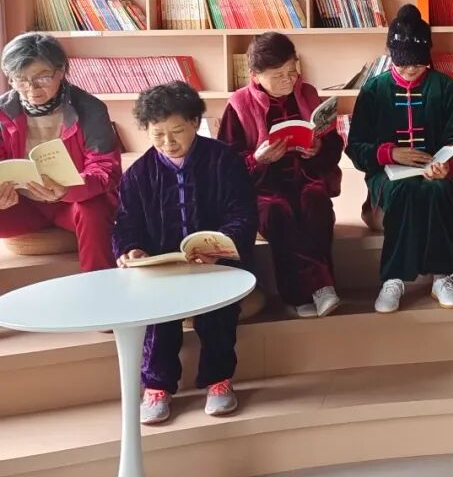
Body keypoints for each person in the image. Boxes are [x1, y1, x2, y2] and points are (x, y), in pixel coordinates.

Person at [113, 83, 257, 425]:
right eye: (158, 134)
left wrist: (221, 246)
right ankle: (157, 385)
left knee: (218, 313)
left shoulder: (224, 160)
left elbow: (243, 213)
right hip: (163, 270)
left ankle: (218, 379)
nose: (168, 142)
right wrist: (131, 250)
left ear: (195, 122)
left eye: (177, 131)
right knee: (156, 313)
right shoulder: (138, 174)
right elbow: (125, 223)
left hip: (215, 266)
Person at [345, 4, 453, 313]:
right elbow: (356, 146)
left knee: (437, 190)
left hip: (436, 172)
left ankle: (442, 276)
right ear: (391, 57)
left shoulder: (444, 87)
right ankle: (393, 278)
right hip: (387, 176)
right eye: (401, 65)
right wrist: (389, 153)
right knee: (404, 190)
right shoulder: (374, 89)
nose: (409, 71)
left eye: (416, 64)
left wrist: (447, 166)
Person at [219, 32, 343, 319]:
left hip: (306, 176)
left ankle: (321, 288)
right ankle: (305, 292)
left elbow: (334, 145)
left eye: (292, 70)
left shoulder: (307, 94)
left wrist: (319, 148)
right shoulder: (238, 104)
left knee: (315, 202)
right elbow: (225, 166)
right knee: (278, 211)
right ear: (255, 75)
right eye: (278, 75)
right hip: (263, 189)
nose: (289, 80)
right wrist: (257, 159)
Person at [0, 33, 120, 271]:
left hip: (71, 203)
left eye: (42, 77)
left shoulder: (90, 110)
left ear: (62, 70)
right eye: (20, 80)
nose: (32, 89)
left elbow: (106, 169)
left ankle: (100, 285)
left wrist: (69, 189)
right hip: (20, 204)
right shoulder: (3, 112)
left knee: (94, 210)